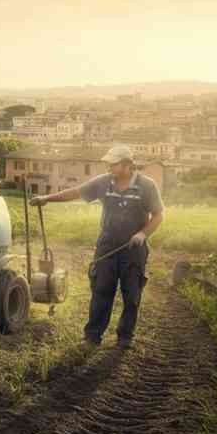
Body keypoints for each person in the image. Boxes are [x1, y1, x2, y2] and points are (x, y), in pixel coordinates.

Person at [31, 144, 164, 348]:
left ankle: (125, 337)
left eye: (113, 163)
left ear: (128, 165)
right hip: (107, 245)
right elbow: (76, 192)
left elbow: (158, 215)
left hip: (134, 249)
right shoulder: (104, 182)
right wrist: (47, 198)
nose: (109, 167)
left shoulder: (147, 186)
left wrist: (142, 234)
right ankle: (93, 337)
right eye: (108, 163)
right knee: (101, 291)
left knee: (132, 295)